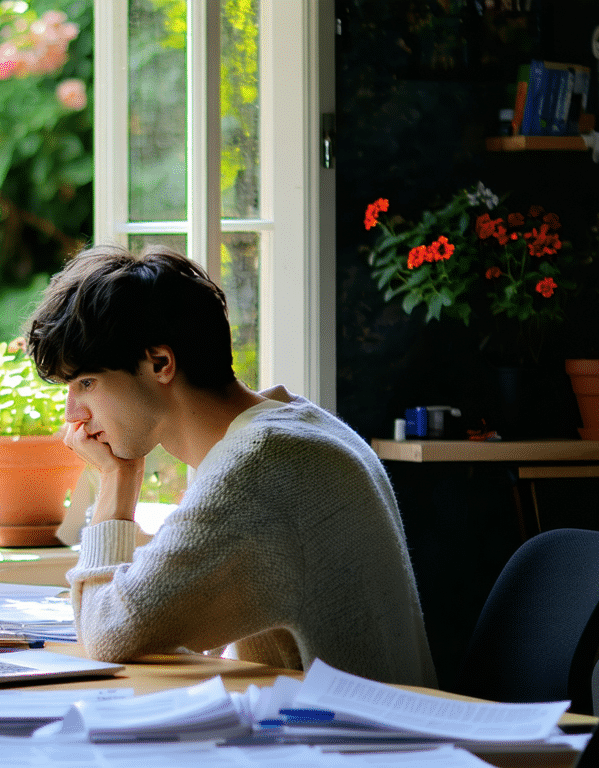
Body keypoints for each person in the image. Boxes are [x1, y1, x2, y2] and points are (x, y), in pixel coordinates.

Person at [25, 243, 438, 687]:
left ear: (159, 363)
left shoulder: (257, 468)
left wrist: (115, 479)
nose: (73, 415)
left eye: (86, 383)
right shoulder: (299, 425)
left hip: (346, 747)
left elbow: (109, 634)